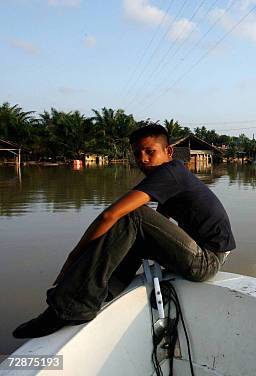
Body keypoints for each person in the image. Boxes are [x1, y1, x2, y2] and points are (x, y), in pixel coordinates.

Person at [13, 124, 235, 338]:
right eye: (138, 154)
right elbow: (158, 223)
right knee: (136, 230)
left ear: (168, 152)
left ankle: (66, 308)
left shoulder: (170, 172)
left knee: (132, 214)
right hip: (204, 256)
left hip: (207, 261)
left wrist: (75, 255)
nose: (143, 160)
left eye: (150, 152)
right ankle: (105, 291)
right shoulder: (171, 176)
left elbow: (110, 215)